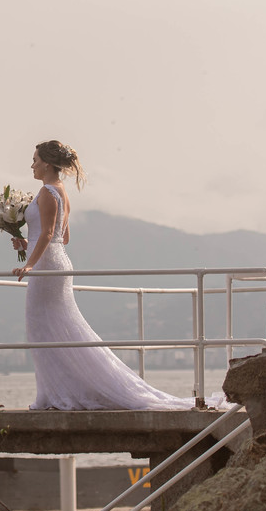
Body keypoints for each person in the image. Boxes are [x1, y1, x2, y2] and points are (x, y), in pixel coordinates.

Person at [11, 140, 204, 410]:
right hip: (57, 262)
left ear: (47, 163)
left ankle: (56, 394)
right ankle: (63, 391)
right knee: (61, 327)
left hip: (46, 266)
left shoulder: (46, 192)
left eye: (35, 160)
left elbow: (46, 234)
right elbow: (62, 236)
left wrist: (30, 263)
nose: (32, 164)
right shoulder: (62, 192)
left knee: (43, 328)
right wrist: (24, 243)